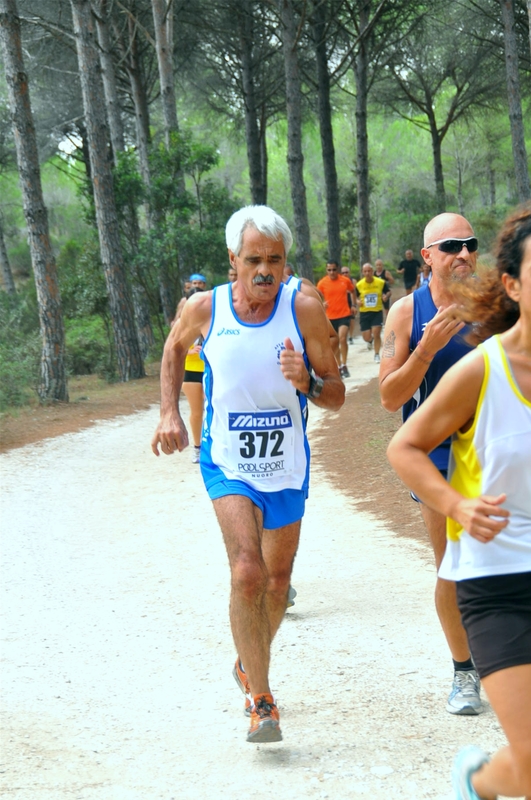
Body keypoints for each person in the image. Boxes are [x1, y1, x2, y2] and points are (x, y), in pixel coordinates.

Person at [151, 205, 345, 743]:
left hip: (286, 466)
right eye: (254, 259)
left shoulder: (303, 309)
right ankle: (261, 700)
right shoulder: (205, 308)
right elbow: (172, 349)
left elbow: (337, 396)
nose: (265, 271)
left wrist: (306, 380)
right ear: (232, 260)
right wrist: (169, 412)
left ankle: (247, 662)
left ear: (287, 263)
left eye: (275, 260)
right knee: (247, 572)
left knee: (278, 584)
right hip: (228, 461)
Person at [387, 205, 531, 800]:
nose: (461, 253)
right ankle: (478, 779)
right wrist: (457, 505)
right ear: (514, 285)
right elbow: (404, 443)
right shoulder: (483, 367)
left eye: (470, 244)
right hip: (498, 581)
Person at [379, 213, 482, 715]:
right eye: (450, 246)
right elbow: (388, 396)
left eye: (470, 244)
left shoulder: (497, 306)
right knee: (453, 566)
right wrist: (426, 349)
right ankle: (465, 672)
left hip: (493, 450)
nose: (463, 253)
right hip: (435, 454)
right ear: (428, 257)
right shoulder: (405, 313)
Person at [317, 261, 355, 378]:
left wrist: (353, 305)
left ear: (337, 270)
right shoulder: (322, 283)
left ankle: (344, 364)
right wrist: (321, 304)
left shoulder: (345, 280)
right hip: (330, 317)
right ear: (326, 270)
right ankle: (338, 366)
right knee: (335, 342)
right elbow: (316, 296)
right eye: (329, 270)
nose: (332, 272)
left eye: (334, 269)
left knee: (343, 338)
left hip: (344, 314)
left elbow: (352, 291)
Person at [356, 263, 390, 364]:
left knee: (376, 333)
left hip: (377, 312)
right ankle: (369, 341)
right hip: (364, 313)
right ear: (362, 272)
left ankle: (376, 354)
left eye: (369, 271)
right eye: (365, 271)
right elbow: (355, 296)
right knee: (366, 337)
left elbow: (388, 291)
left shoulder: (380, 282)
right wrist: (357, 302)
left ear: (372, 271)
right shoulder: (359, 285)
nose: (367, 273)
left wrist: (386, 296)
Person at [341, 265, 357, 343]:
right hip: (342, 302)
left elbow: (353, 291)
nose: (345, 274)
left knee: (352, 319)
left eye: (346, 272)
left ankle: (350, 336)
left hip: (351, 301)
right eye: (343, 273)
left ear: (349, 273)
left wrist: (354, 304)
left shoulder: (352, 281)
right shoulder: (339, 281)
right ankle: (344, 336)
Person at [374, 258, 394, 323]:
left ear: (382, 265)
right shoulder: (373, 273)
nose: (378, 266)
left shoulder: (386, 273)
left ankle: (388, 321)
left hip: (385, 292)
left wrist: (385, 282)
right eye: (377, 265)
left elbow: (392, 281)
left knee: (386, 308)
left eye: (380, 265)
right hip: (377, 293)